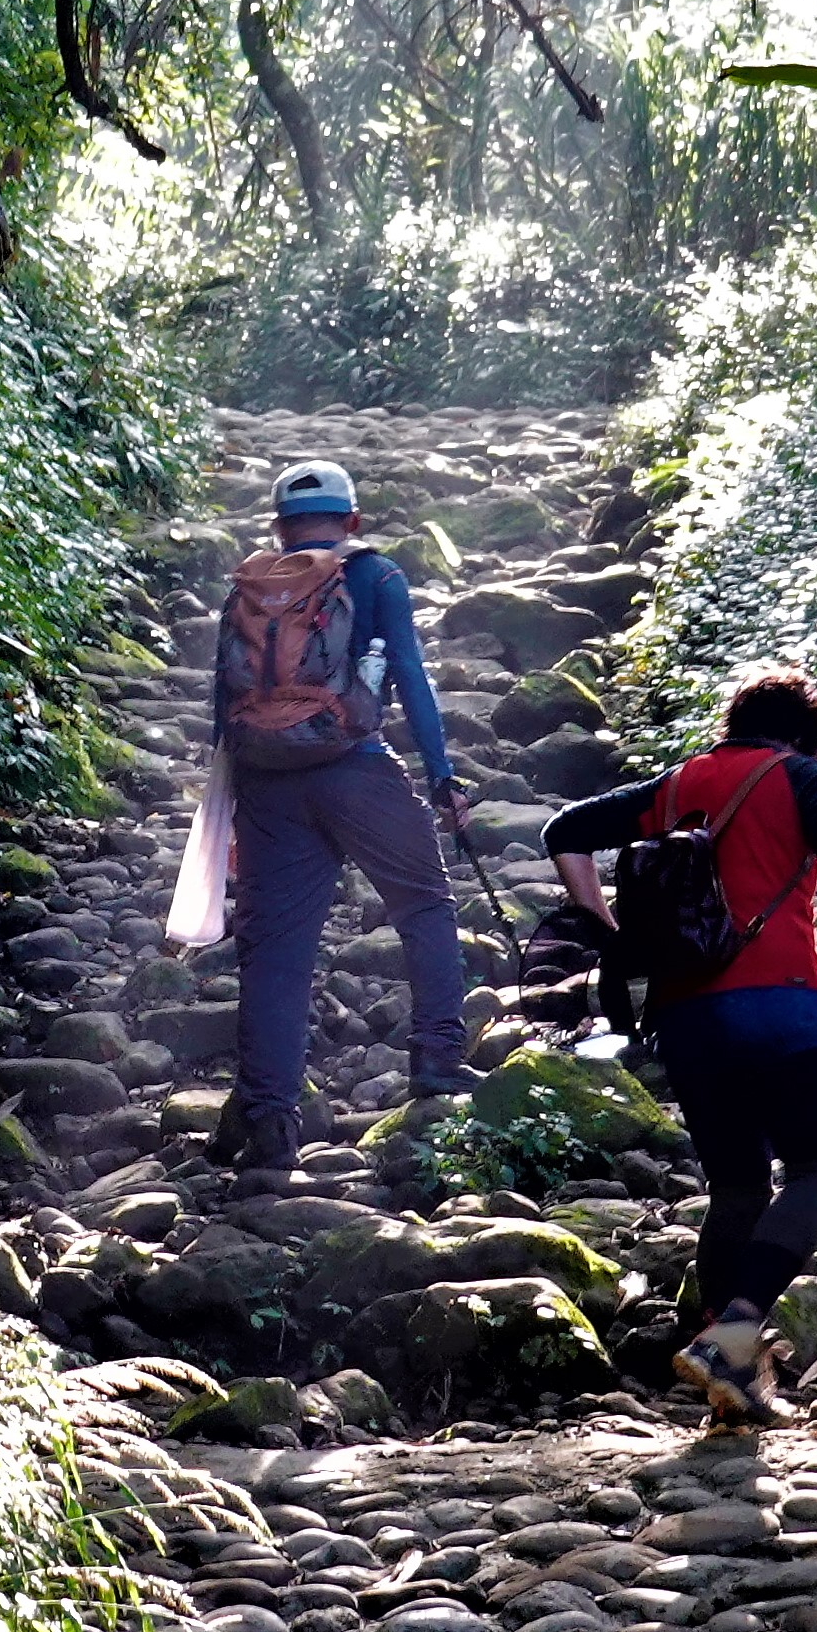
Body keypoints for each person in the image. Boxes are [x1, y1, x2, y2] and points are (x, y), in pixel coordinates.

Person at [545, 671, 817, 1424]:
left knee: (738, 1189)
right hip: (781, 1002)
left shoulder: (678, 783)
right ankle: (737, 1330)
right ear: (807, 740)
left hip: (685, 1014)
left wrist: (609, 930)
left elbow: (564, 831)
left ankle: (731, 1382)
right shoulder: (799, 777)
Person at [211, 458, 475, 1185]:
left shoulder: (251, 586)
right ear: (352, 520)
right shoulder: (376, 576)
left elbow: (222, 701)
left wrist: (227, 805)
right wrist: (442, 775)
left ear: (279, 528)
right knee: (424, 903)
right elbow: (410, 674)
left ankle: (270, 1123)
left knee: (275, 952)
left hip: (266, 781)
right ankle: (438, 1058)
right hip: (357, 768)